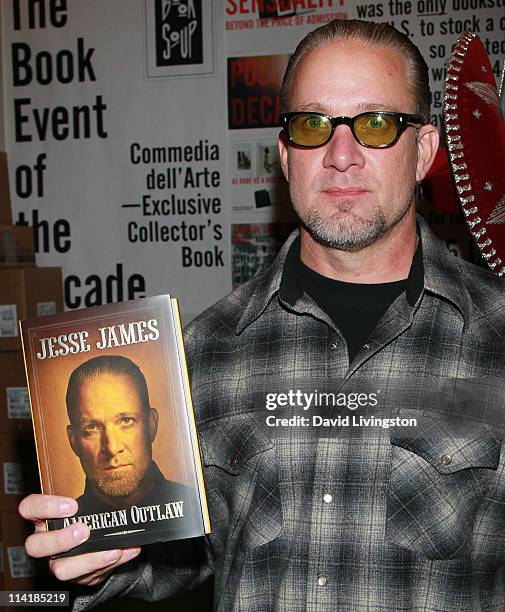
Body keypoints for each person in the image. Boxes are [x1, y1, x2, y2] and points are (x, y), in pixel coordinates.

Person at [19, 19, 505, 611]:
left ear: (424, 149)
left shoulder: (496, 337)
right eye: (312, 125)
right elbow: (175, 560)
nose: (341, 155)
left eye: (377, 124)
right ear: (284, 155)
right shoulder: (205, 349)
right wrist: (99, 561)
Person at [54, 355, 202, 547]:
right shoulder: (62, 532)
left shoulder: (198, 509)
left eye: (126, 421)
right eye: (92, 427)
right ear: (73, 441)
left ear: (151, 425)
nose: (112, 448)